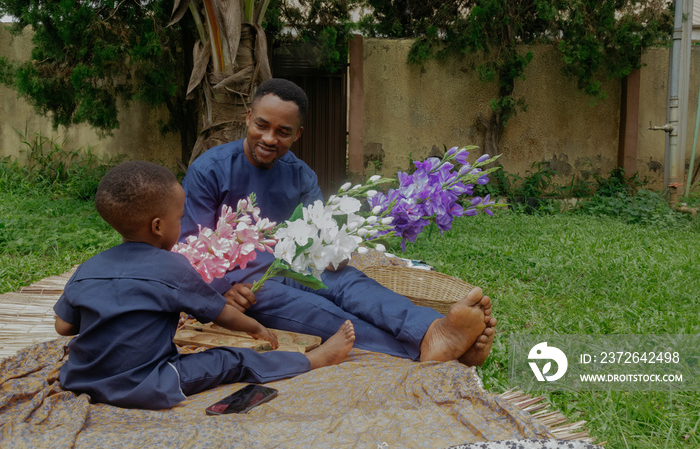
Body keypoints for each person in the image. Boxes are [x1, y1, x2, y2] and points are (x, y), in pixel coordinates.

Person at [180, 78, 496, 366]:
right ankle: (434, 349)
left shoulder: (301, 175)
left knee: (350, 282)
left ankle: (432, 328)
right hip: (250, 285)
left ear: (297, 134)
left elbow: (320, 238)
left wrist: (333, 250)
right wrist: (222, 292)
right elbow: (188, 252)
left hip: (298, 266)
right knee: (322, 313)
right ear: (248, 117)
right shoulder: (209, 172)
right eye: (262, 125)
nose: (269, 138)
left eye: (283, 131)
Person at [53, 161, 355, 410]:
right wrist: (255, 327)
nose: (182, 225)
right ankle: (312, 359)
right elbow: (222, 312)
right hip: (149, 383)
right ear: (158, 226)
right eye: (180, 219)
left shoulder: (89, 267)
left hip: (81, 378)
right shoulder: (172, 267)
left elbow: (63, 327)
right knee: (230, 360)